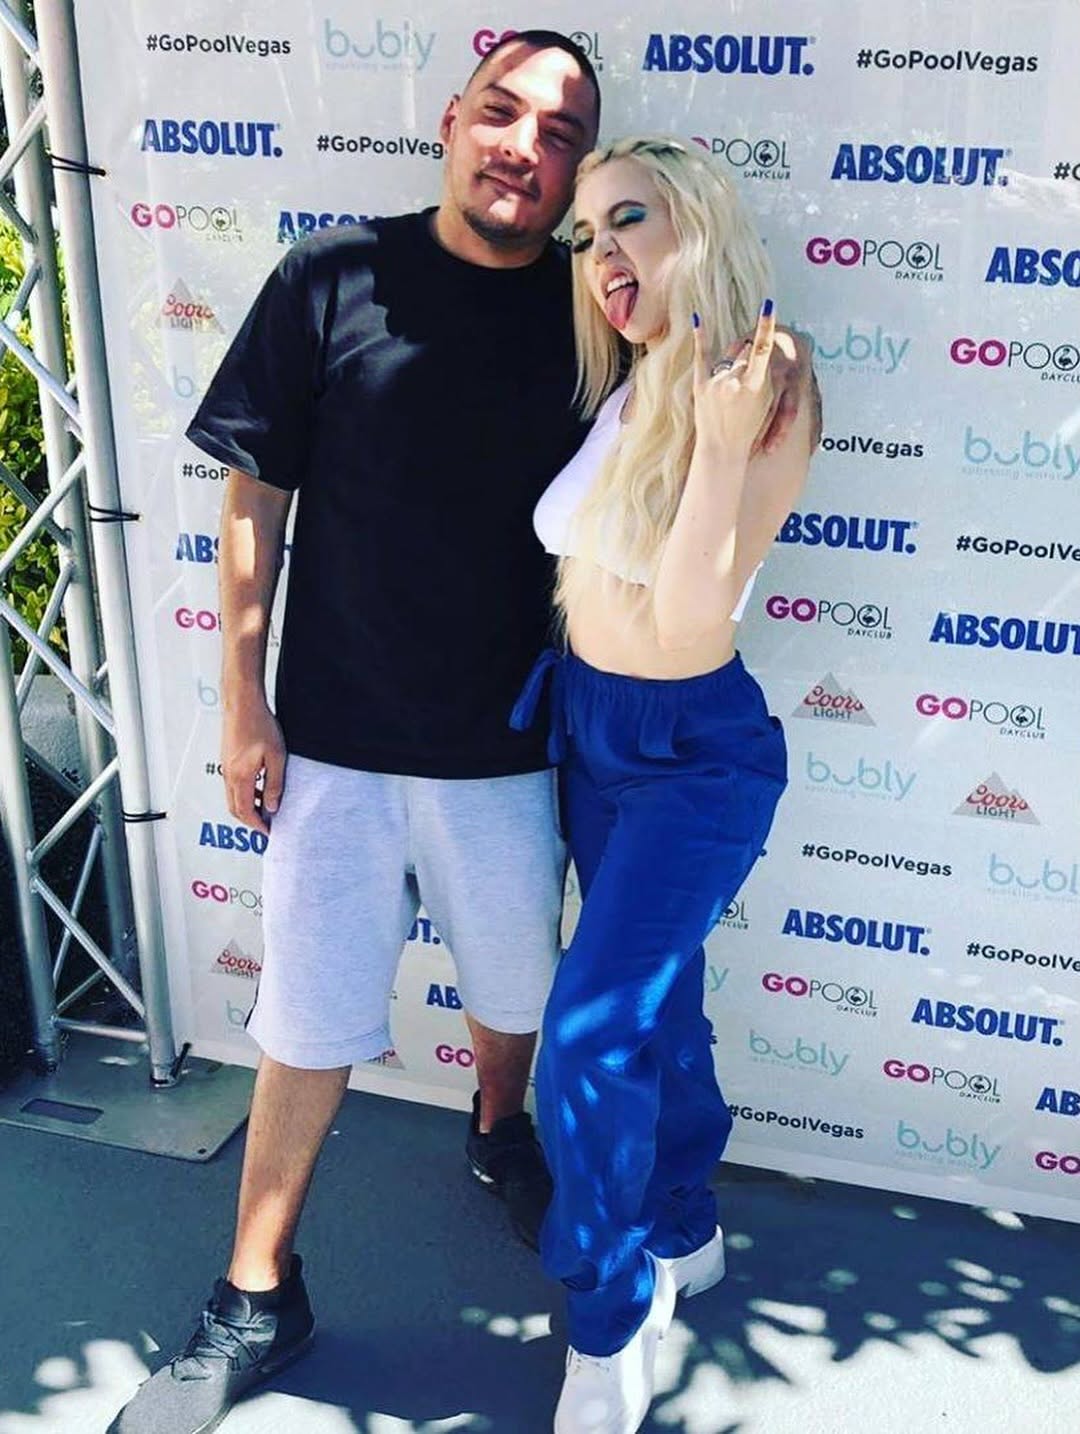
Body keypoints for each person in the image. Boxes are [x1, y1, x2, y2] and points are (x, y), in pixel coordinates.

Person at [108, 31, 603, 1434]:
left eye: (560, 135)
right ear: (451, 120)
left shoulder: (596, 310)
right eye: (503, 112)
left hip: (513, 747)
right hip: (332, 739)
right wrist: (242, 698)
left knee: (516, 993)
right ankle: (257, 1292)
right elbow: (255, 497)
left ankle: (499, 1128)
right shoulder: (329, 276)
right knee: (308, 1018)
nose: (524, 148)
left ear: (576, 172)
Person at [511, 137, 819, 1433]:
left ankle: (611, 1310)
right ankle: (684, 1221)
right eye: (586, 239)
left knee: (588, 1032)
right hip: (590, 727)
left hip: (694, 756)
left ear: (696, 220)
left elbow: (695, 614)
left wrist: (719, 444)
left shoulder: (767, 375)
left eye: (628, 220)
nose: (602, 258)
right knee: (659, 1000)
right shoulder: (634, 379)